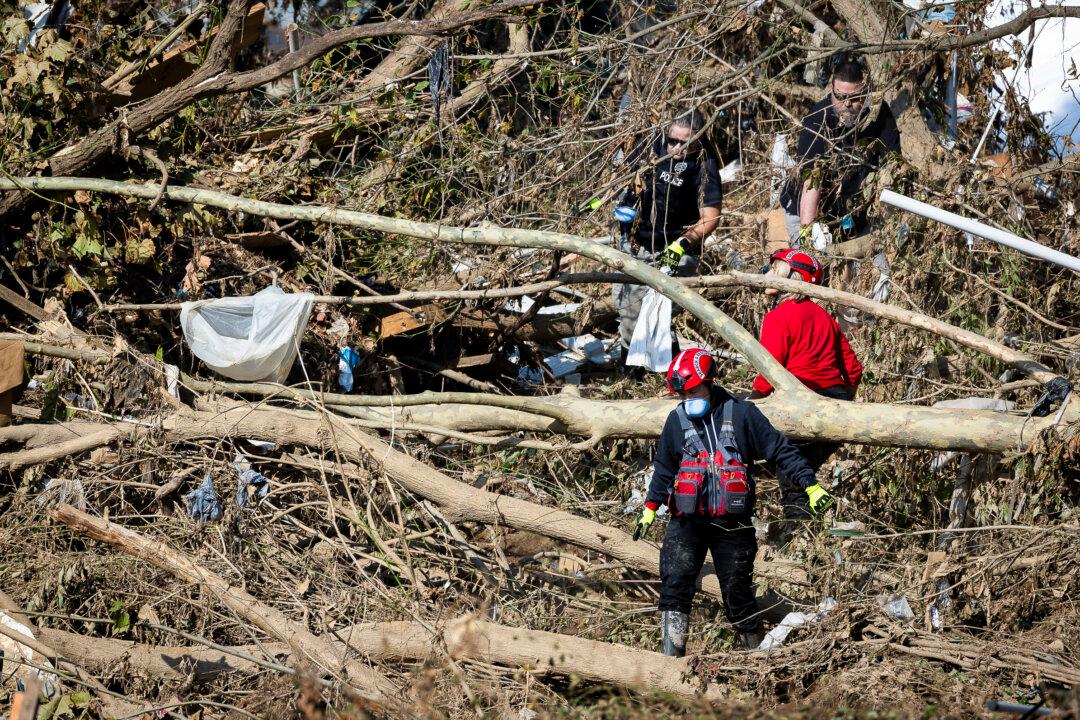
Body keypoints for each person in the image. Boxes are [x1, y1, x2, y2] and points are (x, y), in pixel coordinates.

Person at [631, 348, 835, 655]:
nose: (689, 399)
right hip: (688, 523)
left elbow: (781, 450)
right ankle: (670, 663)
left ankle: (755, 662)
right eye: (682, 395)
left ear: (709, 382)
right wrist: (649, 508)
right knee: (675, 581)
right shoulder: (676, 421)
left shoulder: (742, 413)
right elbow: (663, 469)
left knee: (737, 593)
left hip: (732, 525)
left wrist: (810, 486)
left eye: (693, 391)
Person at [750, 248, 862, 529]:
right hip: (835, 398)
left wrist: (751, 404)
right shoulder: (826, 318)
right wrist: (843, 398)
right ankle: (816, 528)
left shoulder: (778, 317)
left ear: (794, 276)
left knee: (792, 471)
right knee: (802, 466)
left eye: (776, 269)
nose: (770, 274)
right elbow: (854, 368)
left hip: (802, 402)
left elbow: (769, 371)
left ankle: (800, 534)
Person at [612, 109, 723, 358]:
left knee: (659, 309)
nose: (676, 148)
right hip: (638, 244)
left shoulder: (704, 166)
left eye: (685, 143)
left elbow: (711, 217)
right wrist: (622, 205)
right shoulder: (653, 147)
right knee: (628, 310)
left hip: (675, 248)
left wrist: (682, 244)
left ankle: (668, 372)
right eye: (673, 140)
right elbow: (626, 176)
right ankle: (630, 372)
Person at [779, 53, 901, 249]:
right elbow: (812, 181)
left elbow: (895, 162)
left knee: (853, 271)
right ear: (832, 90)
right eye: (841, 96)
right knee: (812, 269)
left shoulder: (879, 116)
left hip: (851, 211)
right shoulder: (818, 120)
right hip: (808, 208)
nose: (846, 104)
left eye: (854, 98)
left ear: (866, 92)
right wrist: (808, 233)